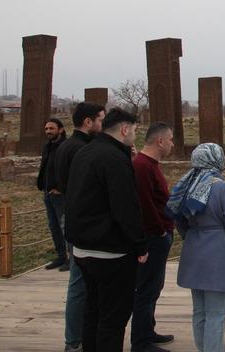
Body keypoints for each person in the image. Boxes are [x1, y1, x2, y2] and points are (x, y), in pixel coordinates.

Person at [65, 108, 148, 352]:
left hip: (82, 248)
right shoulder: (113, 158)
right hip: (111, 251)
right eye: (134, 130)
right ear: (124, 129)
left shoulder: (85, 151)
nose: (134, 135)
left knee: (92, 313)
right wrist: (140, 244)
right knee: (112, 319)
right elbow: (125, 207)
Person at [169, 143, 225, 352]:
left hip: (193, 250)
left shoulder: (186, 185)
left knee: (200, 312)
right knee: (217, 314)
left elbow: (178, 218)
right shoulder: (221, 187)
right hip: (219, 253)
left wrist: (192, 236)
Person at [54, 102, 105, 352]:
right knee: (79, 283)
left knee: (82, 283)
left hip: (74, 219)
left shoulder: (67, 146)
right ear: (88, 122)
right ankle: (74, 341)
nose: (102, 125)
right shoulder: (81, 150)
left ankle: (81, 336)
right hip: (82, 223)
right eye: (100, 120)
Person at [131, 122, 176, 352]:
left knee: (154, 287)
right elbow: (145, 206)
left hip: (159, 234)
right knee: (146, 289)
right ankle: (140, 343)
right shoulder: (142, 167)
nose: (172, 144)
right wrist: (159, 231)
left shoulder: (149, 164)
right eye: (170, 139)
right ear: (159, 141)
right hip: (153, 236)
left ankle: (148, 330)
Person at [38, 118, 67, 271]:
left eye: (52, 128)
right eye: (47, 128)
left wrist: (61, 188)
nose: (48, 131)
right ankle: (61, 256)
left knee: (65, 226)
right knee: (54, 226)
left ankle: (71, 259)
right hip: (47, 193)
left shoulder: (65, 147)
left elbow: (70, 170)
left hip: (60, 194)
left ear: (60, 130)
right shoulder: (47, 147)